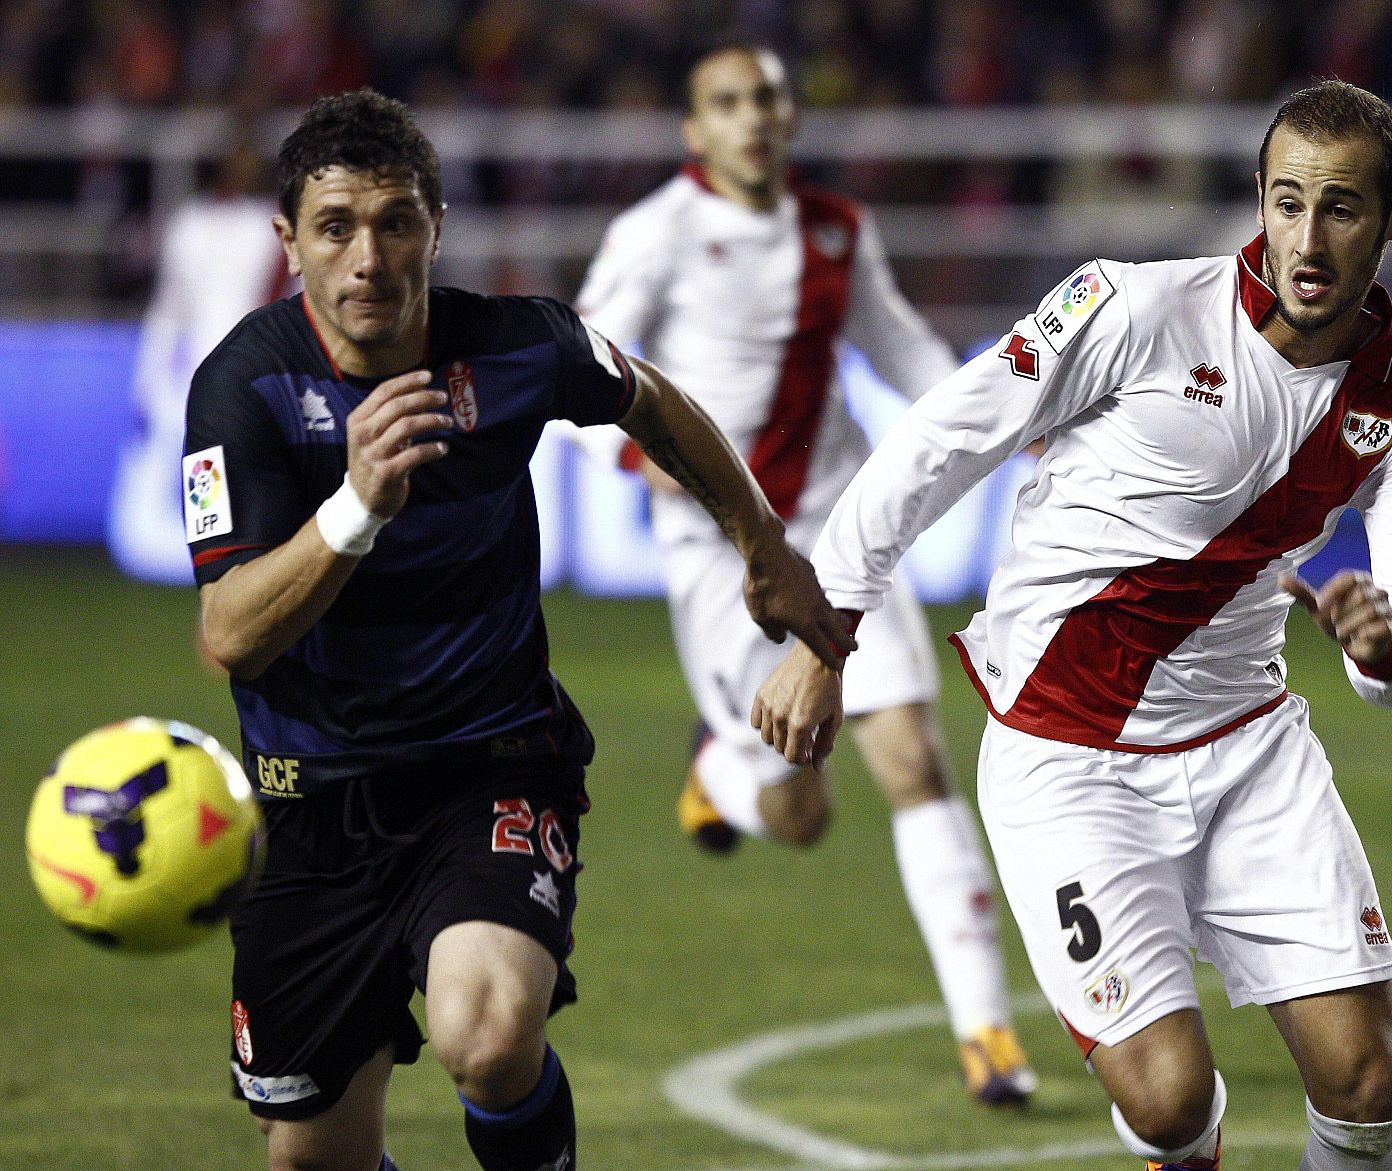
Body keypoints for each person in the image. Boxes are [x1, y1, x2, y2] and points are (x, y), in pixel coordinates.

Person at [755, 80, 1392, 1171]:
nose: (1307, 238)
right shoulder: (1132, 308)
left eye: (1342, 208)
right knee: (1171, 1099)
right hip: (1065, 756)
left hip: (1247, 746)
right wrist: (825, 632)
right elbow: (943, 437)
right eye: (1285, 202)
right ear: (1258, 201)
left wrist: (1385, 650)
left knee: (1365, 1082)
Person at [183, 88, 852, 1171]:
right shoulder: (242, 391)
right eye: (336, 226)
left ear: (437, 226)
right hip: (312, 804)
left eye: (397, 220)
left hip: (490, 764)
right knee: (310, 1157)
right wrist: (354, 509)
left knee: (488, 1037)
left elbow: (649, 400)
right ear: (288, 240)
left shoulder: (514, 346)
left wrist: (763, 548)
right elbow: (230, 633)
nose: (369, 258)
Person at [573, 40, 1035, 1105]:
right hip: (719, 548)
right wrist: (663, 472)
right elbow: (580, 377)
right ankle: (725, 777)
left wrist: (1022, 415)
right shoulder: (655, 234)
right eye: (729, 103)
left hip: (839, 523)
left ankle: (987, 1037)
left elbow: (906, 350)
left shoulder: (837, 228)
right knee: (801, 808)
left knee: (914, 757)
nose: (753, 119)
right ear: (694, 130)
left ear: (789, 120)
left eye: (769, 101)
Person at [109, 128, 295, 586]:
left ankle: (225, 563)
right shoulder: (195, 223)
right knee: (206, 475)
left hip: (246, 372)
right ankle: (211, 563)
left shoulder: (268, 227)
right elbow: (171, 308)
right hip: (203, 374)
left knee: (227, 477)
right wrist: (151, 380)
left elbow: (285, 302)